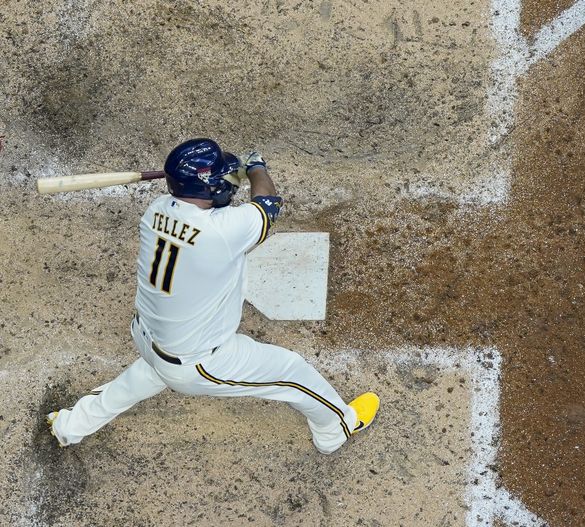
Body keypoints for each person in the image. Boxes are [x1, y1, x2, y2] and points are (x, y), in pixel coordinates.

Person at [47, 138, 379, 454]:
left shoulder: (156, 211)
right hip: (197, 362)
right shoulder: (223, 230)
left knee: (147, 374)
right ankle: (336, 430)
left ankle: (70, 425)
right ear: (208, 186)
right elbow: (267, 203)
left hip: (148, 336)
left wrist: (224, 171)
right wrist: (256, 166)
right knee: (292, 372)